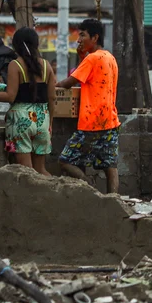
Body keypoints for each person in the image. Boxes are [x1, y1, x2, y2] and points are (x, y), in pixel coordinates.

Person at [0, 28, 55, 176]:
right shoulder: (47, 66)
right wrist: (50, 123)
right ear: (36, 44)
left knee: (26, 172)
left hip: (20, 120)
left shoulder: (15, 65)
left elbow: (10, 97)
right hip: (43, 119)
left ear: (16, 45)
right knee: (41, 170)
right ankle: (55, 195)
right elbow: (52, 98)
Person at [56, 19, 120, 194]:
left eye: (82, 35)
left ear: (95, 37)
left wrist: (53, 86)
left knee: (65, 160)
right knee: (110, 165)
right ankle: (114, 200)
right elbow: (93, 78)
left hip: (91, 121)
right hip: (110, 120)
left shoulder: (91, 59)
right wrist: (81, 57)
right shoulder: (110, 57)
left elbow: (69, 82)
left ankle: (88, 186)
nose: (78, 40)